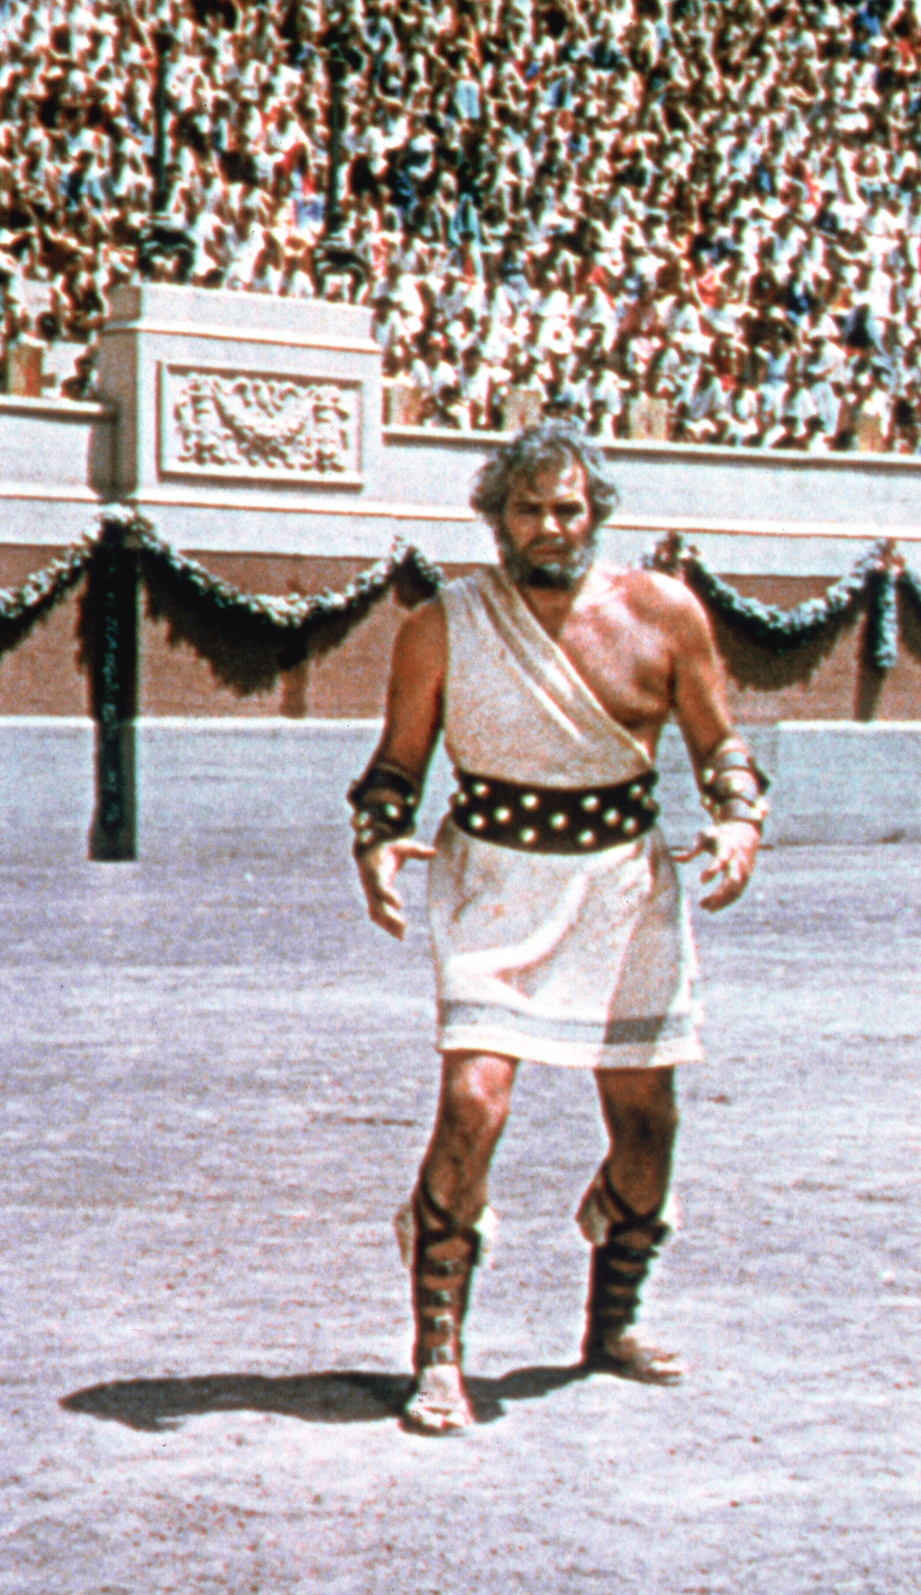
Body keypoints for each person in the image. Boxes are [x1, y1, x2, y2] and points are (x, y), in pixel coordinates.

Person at [347, 422, 769, 1436]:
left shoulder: (661, 611)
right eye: (529, 508)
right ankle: (439, 1352)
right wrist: (377, 837)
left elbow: (719, 742)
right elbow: (396, 765)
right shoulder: (443, 624)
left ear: (598, 511)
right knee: (471, 1100)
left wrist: (740, 817)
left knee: (646, 1123)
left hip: (623, 888)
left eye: (569, 507)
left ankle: (610, 1324)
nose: (550, 526)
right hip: (491, 882)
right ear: (496, 515)